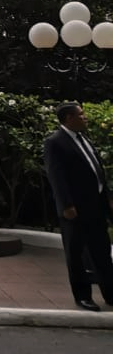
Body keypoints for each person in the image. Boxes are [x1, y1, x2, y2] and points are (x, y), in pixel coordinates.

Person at [43, 102, 113, 311]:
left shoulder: (84, 139)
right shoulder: (55, 142)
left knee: (101, 252)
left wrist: (107, 196)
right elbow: (57, 177)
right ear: (68, 119)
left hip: (96, 207)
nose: (85, 118)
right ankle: (83, 296)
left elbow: (97, 169)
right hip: (74, 209)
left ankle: (110, 293)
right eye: (80, 115)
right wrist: (66, 205)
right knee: (76, 255)